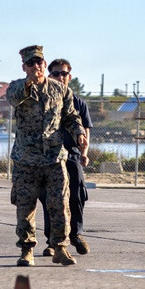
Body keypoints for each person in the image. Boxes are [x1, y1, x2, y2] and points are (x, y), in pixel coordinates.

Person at [5, 45, 87, 267]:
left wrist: (79, 133)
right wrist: (29, 84)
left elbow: (70, 116)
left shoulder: (60, 90)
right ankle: (26, 249)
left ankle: (60, 248)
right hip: (26, 159)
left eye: (39, 62)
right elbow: (12, 99)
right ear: (24, 67)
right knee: (25, 206)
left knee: (60, 204)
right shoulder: (17, 88)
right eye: (31, 63)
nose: (36, 66)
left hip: (53, 158)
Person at [40, 58, 92, 258]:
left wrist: (84, 153)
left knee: (77, 195)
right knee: (49, 199)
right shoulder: (44, 100)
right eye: (55, 73)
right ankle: (52, 242)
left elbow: (85, 129)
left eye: (64, 73)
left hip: (71, 156)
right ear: (49, 75)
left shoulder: (78, 102)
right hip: (50, 157)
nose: (60, 77)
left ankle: (76, 235)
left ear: (70, 76)